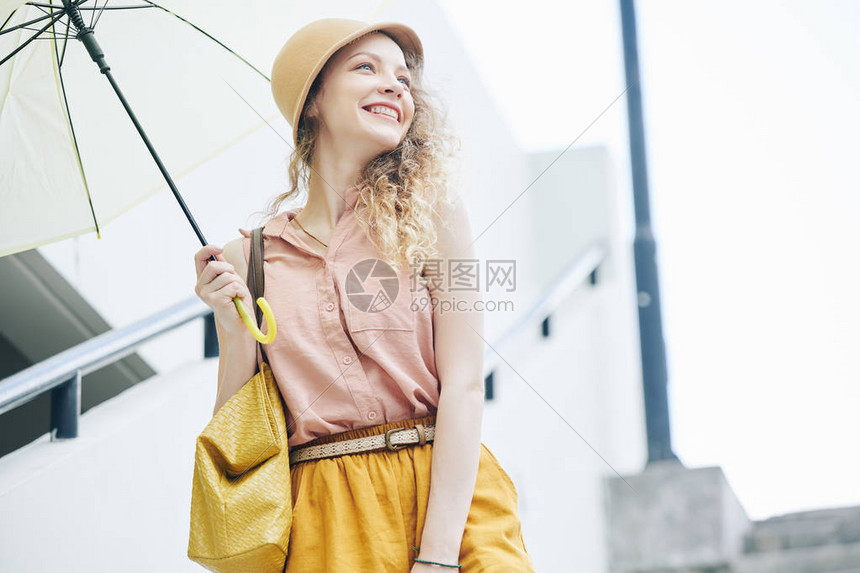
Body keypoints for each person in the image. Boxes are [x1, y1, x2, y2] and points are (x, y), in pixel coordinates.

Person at [192, 18, 534, 572]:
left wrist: (441, 555)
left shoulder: (434, 217)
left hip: (451, 504)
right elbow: (240, 434)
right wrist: (232, 329)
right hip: (327, 517)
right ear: (313, 101)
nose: (395, 86)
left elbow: (466, 386)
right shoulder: (247, 260)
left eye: (403, 77)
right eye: (366, 68)